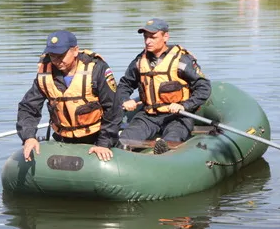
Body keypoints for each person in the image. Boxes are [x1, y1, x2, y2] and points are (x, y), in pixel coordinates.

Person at [17, 30, 121, 162]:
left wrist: (104, 143)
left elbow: (113, 108)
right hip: (63, 139)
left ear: (75, 51)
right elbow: (28, 107)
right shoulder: (45, 74)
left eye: (61, 55)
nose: (57, 61)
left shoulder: (96, 69)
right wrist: (29, 136)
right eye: (53, 56)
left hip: (96, 136)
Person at [117, 18, 211, 154]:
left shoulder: (182, 60)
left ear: (165, 36)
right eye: (146, 37)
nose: (148, 41)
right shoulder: (139, 61)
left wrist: (185, 105)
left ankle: (163, 157)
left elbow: (203, 87)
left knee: (172, 140)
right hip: (148, 116)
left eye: (153, 37)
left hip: (178, 116)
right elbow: (124, 85)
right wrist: (125, 99)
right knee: (123, 140)